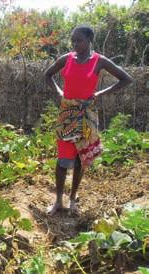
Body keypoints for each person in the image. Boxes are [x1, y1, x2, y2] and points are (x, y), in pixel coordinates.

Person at [44, 25, 133, 215]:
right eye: (73, 40)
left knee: (80, 159)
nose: (75, 44)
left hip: (86, 115)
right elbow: (47, 75)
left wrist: (101, 93)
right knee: (62, 161)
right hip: (67, 115)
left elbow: (126, 79)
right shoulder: (67, 59)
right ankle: (58, 200)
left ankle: (72, 200)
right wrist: (59, 92)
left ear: (89, 40)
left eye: (79, 40)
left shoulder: (98, 61)